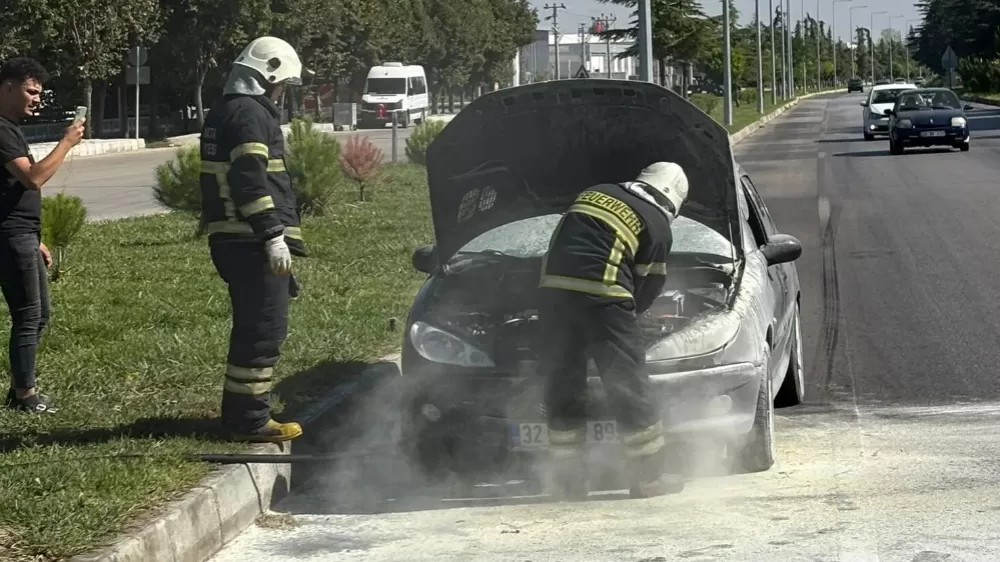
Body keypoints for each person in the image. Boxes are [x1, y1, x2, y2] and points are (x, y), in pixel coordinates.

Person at [537, 161, 689, 499]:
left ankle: (568, 482)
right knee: (628, 386)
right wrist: (632, 319)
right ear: (673, 199)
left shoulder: (596, 192)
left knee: (564, 384)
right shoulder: (657, 224)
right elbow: (648, 285)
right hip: (604, 300)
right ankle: (648, 478)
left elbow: (561, 244)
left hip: (552, 297)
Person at [199, 36, 308, 443]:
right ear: (270, 74)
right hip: (251, 242)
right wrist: (272, 235)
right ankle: (249, 421)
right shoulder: (249, 113)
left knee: (254, 328)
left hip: (235, 241)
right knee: (263, 331)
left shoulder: (228, 110)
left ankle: (241, 414)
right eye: (282, 85)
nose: (282, 94)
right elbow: (248, 180)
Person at [0, 57, 84, 413]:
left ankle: (21, 388)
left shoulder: (9, 126)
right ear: (7, 87)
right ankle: (25, 396)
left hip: (23, 234)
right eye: (31, 91)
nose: (37, 99)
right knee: (28, 315)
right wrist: (66, 143)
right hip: (10, 235)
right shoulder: (1, 129)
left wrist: (36, 237)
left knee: (40, 313)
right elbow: (32, 178)